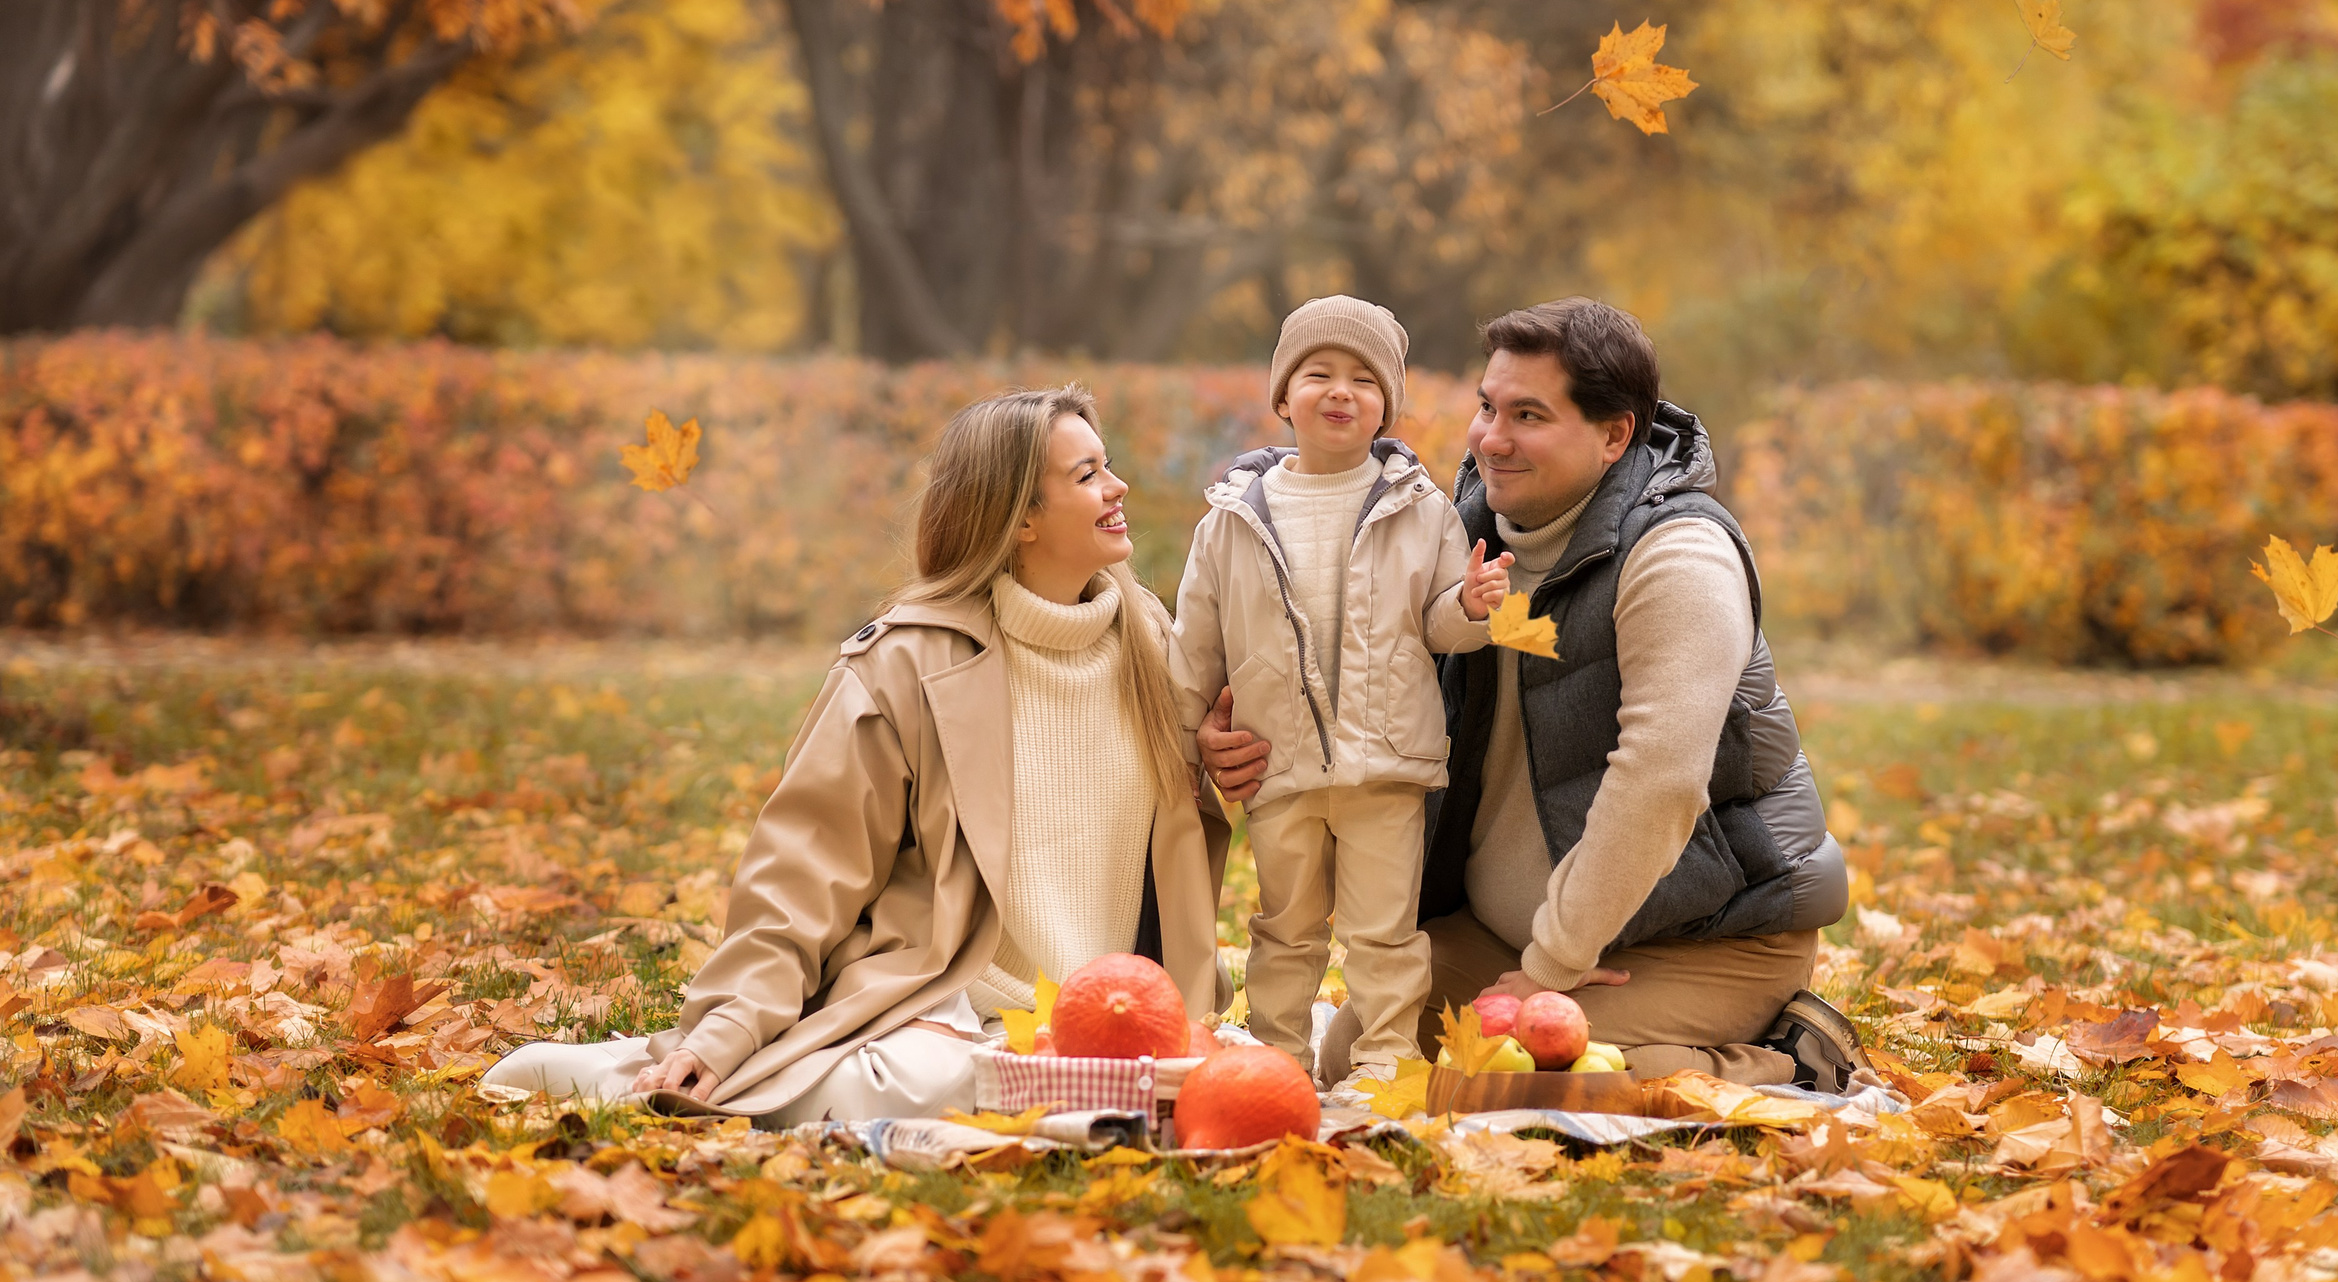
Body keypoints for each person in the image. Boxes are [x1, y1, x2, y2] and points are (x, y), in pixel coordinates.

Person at [483, 386, 1230, 1125]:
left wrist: (1225, 760)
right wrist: (727, 1026)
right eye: (1086, 473)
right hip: (957, 1010)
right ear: (1021, 517)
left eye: (1106, 464)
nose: (1117, 484)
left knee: (1254, 1066)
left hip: (1115, 1014)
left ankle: (1045, 1087)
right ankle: (647, 1071)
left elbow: (1192, 820)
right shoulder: (905, 664)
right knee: (922, 1084)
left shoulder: (1148, 638)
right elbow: (805, 867)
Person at [1204, 299, 1866, 1090]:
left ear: (1615, 435)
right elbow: (1352, 651)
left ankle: (1783, 1057)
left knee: (1508, 1078)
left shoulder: (1679, 557)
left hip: (1699, 937)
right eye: (1487, 406)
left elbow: (1661, 778)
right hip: (1506, 933)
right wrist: (1236, 726)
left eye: (1528, 415)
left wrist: (1553, 964)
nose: (1491, 438)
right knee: (1366, 1064)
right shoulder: (1463, 527)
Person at [1170, 296, 1511, 1089]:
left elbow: (1436, 627)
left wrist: (1470, 607)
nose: (1340, 391)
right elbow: (1196, 643)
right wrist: (1187, 739)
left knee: (1383, 930)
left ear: (1385, 405)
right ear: (1283, 396)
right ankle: (1279, 1058)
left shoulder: (1419, 507)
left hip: (1386, 761)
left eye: (1364, 379)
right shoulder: (1231, 520)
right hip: (1277, 762)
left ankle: (1386, 1060)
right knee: (1283, 927)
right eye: (1318, 373)